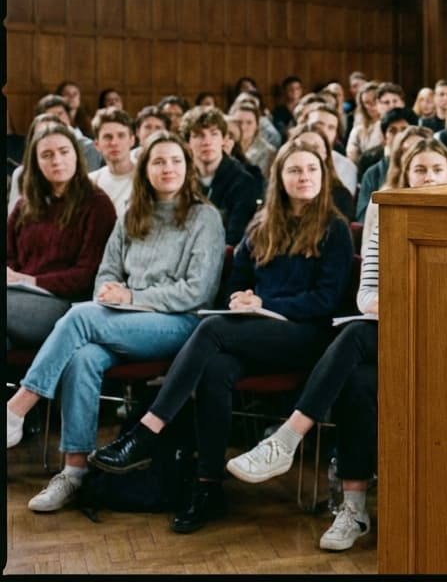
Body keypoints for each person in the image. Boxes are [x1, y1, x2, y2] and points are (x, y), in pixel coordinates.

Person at [87, 138, 353, 534]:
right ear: (279, 177)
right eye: (294, 170)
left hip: (305, 338)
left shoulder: (335, 228)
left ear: (324, 176)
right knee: (215, 368)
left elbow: (325, 301)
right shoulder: (262, 225)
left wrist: (265, 302)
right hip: (256, 332)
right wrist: (242, 297)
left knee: (210, 328)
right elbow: (238, 281)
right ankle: (208, 487)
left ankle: (146, 432)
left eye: (312, 170)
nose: (304, 177)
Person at [222, 137, 447, 552]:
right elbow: (366, 292)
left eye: (437, 170)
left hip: (445, 333)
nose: (429, 178)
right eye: (419, 170)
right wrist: (381, 304)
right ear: (403, 176)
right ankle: (353, 509)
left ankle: (287, 440)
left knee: (351, 341)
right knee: (358, 380)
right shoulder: (386, 213)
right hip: (390, 329)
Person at [6, 131, 224, 512]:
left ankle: (17, 408)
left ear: (187, 167)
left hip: (179, 324)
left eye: (175, 160)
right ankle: (75, 472)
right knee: (83, 356)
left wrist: (132, 298)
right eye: (158, 162)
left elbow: (198, 292)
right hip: (123, 320)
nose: (167, 168)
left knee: (79, 318)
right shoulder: (132, 215)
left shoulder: (205, 217)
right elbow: (106, 272)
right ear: (146, 170)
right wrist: (112, 292)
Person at [7, 122, 118, 350]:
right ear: (36, 163)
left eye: (64, 152)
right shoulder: (24, 206)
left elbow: (88, 275)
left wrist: (30, 281)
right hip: (18, 296)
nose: (56, 160)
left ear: (76, 155)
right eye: (47, 155)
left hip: (67, 305)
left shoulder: (97, 204)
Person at [180, 106, 259, 247]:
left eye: (214, 134)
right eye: (198, 135)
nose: (207, 142)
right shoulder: (180, 179)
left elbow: (235, 238)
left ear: (224, 139)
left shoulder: (244, 182)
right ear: (188, 144)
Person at [88, 108, 137, 215]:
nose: (114, 142)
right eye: (107, 137)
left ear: (132, 140)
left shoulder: (147, 177)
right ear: (97, 145)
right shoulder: (91, 182)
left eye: (121, 136)